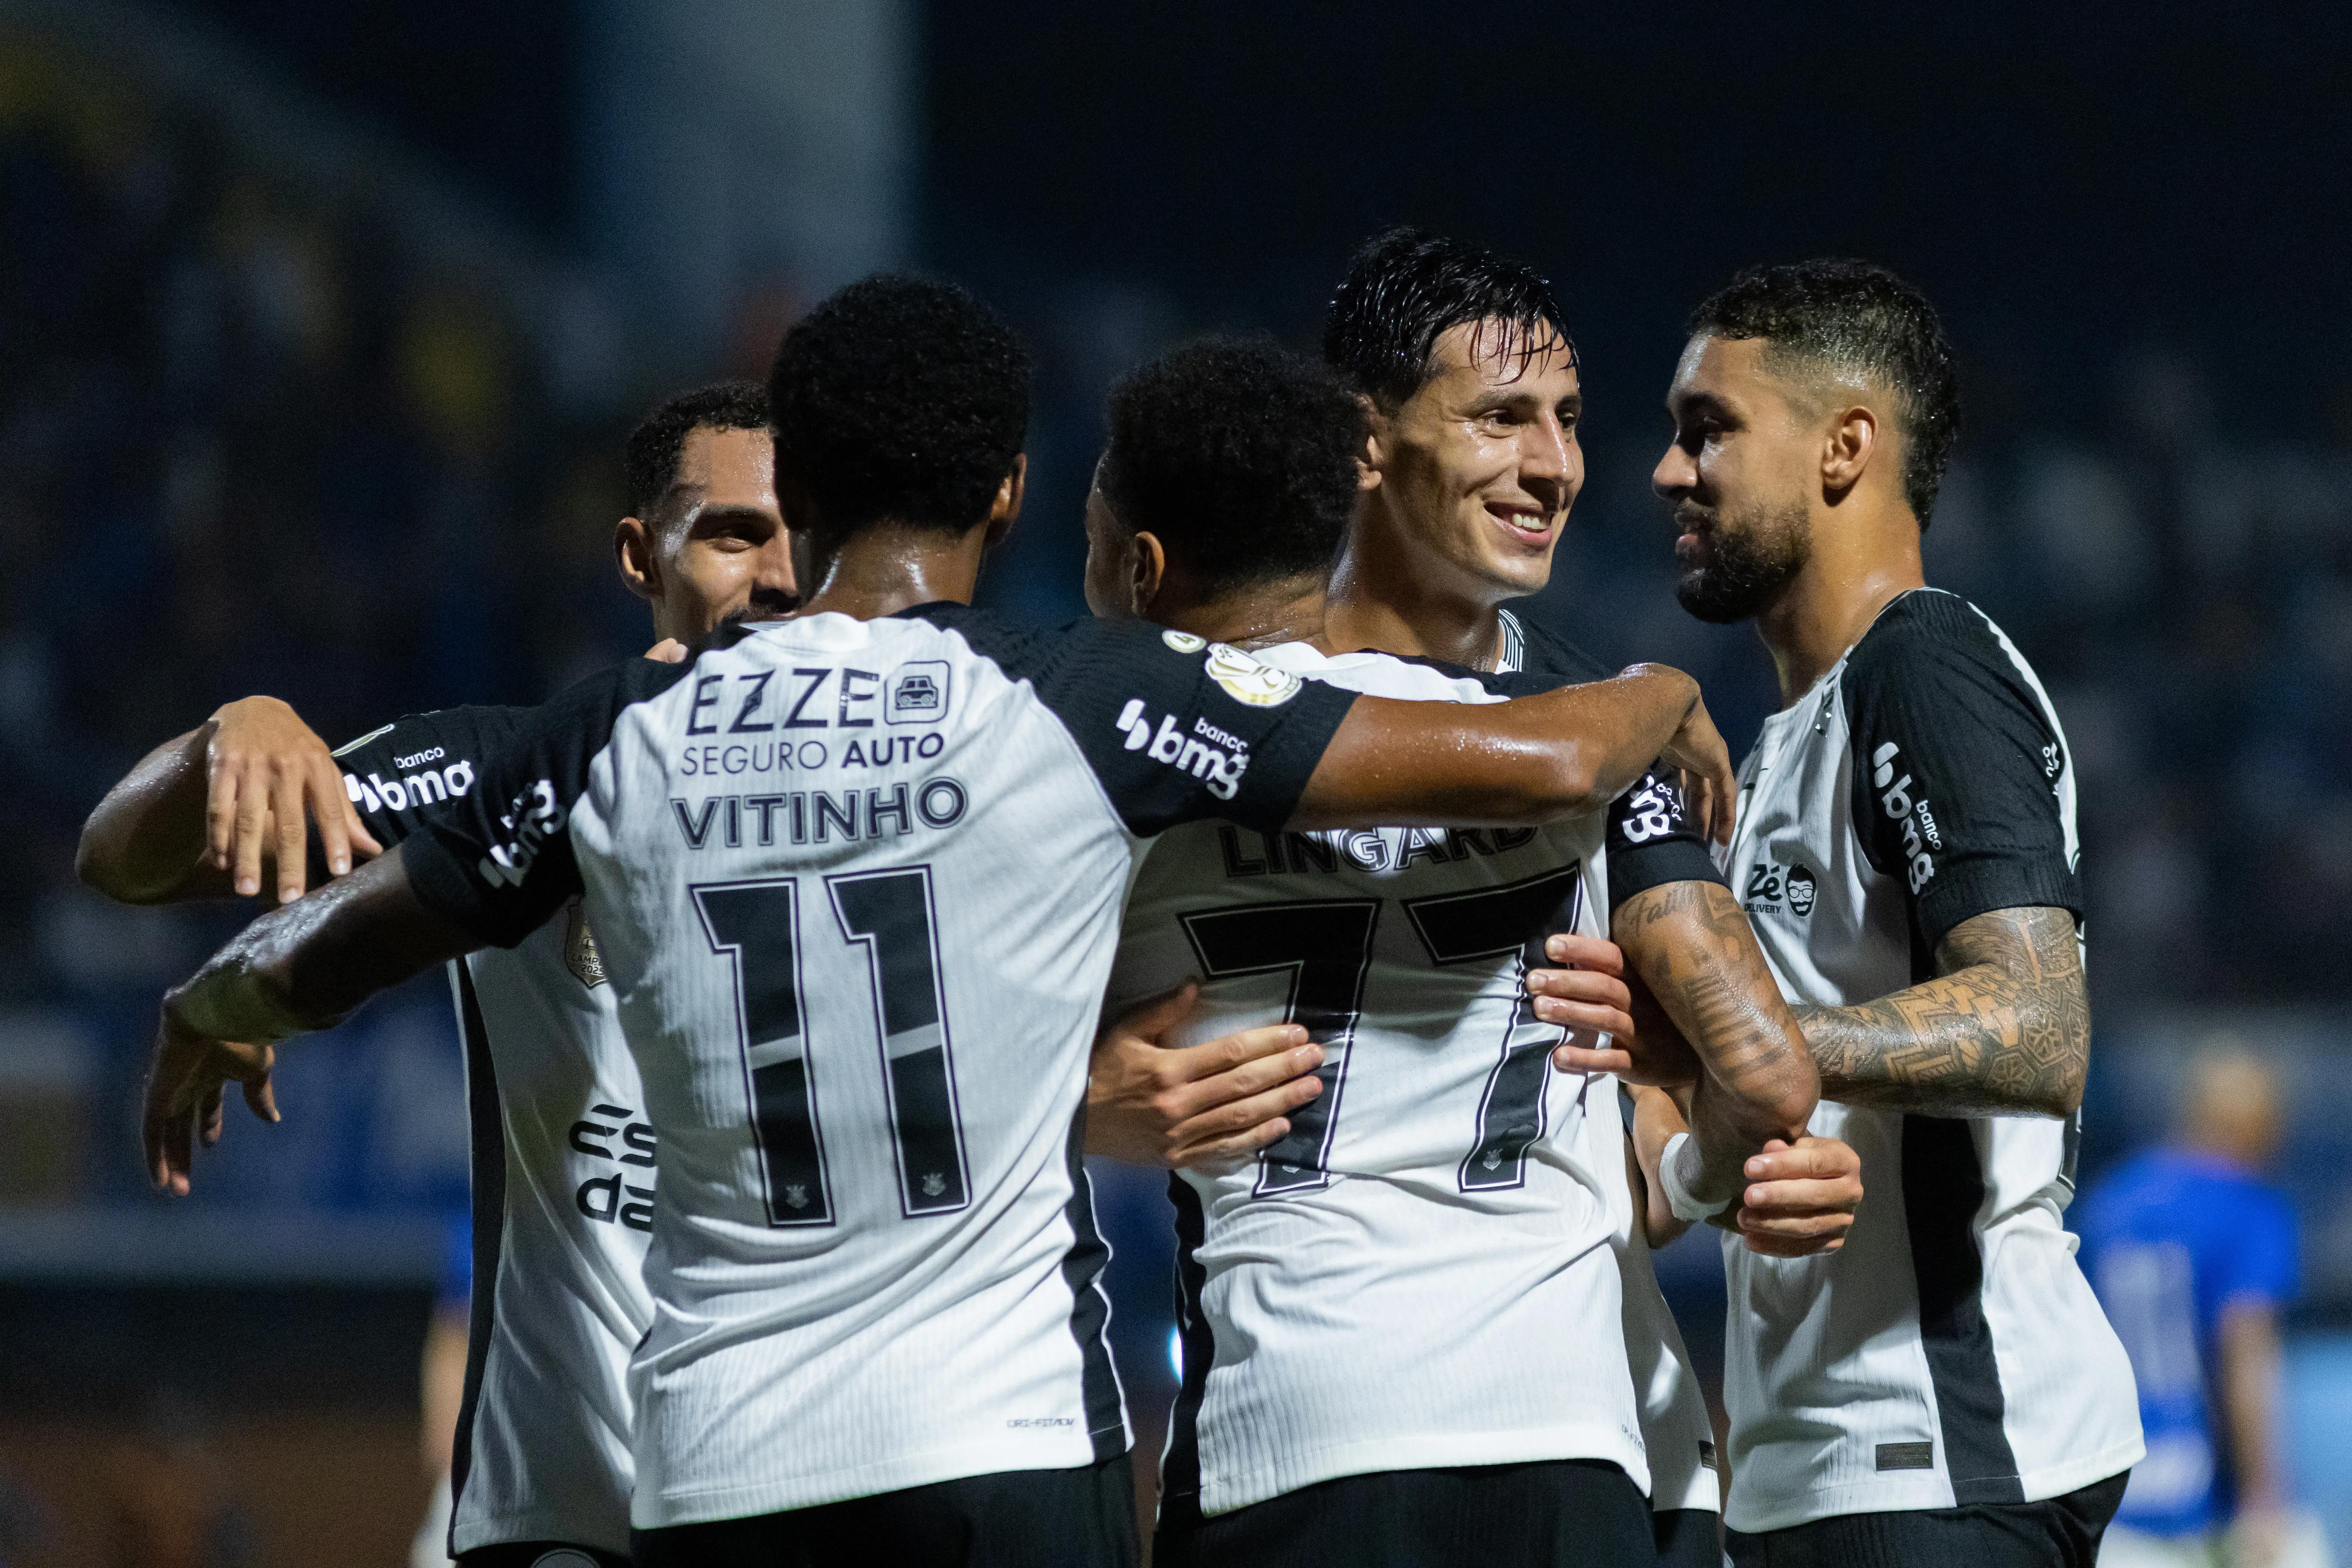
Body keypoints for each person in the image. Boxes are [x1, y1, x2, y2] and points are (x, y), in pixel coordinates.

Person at [138, 274, 1737, 1568]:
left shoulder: (605, 733)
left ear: (806, 485)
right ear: (1010, 489)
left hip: (724, 1461)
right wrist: (1660, 693)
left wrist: (219, 1006)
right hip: (1005, 1451)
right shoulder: (1074, 698)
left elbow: (326, 943)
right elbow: (1545, 750)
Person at [1084, 333, 1858, 1568]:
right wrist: (1659, 690)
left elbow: (929, 1055)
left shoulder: (1116, 760)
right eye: (1503, 416)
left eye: (1563, 416)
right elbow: (1759, 1075)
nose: (1552, 463)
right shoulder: (1591, 734)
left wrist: (1078, 1101)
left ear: (1139, 565)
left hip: (1296, 1420)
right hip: (1582, 1430)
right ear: (1367, 448)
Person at [80, 380, 794, 1568]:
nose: (777, 575)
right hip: (577, 1523)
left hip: (817, 1503)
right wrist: (232, 734)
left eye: (800, 535)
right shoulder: (511, 773)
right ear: (639, 555)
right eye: (733, 533)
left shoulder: (910, 798)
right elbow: (119, 854)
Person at [1543, 259, 2143, 1566]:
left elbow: (2039, 1024)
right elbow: (1695, 1166)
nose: (1663, 470)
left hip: (1941, 1457)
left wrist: (1748, 1046)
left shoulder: (1920, 662)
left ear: (1844, 448)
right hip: (1820, 1473)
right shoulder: (1768, 757)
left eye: (1709, 427)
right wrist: (1704, 1119)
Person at [2086, 1047, 2326, 1568]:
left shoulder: (2109, 1200)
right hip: (2204, 1500)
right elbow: (2246, 1352)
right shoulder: (2248, 1205)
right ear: (2262, 1128)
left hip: (2116, 1491)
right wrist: (2264, 1498)